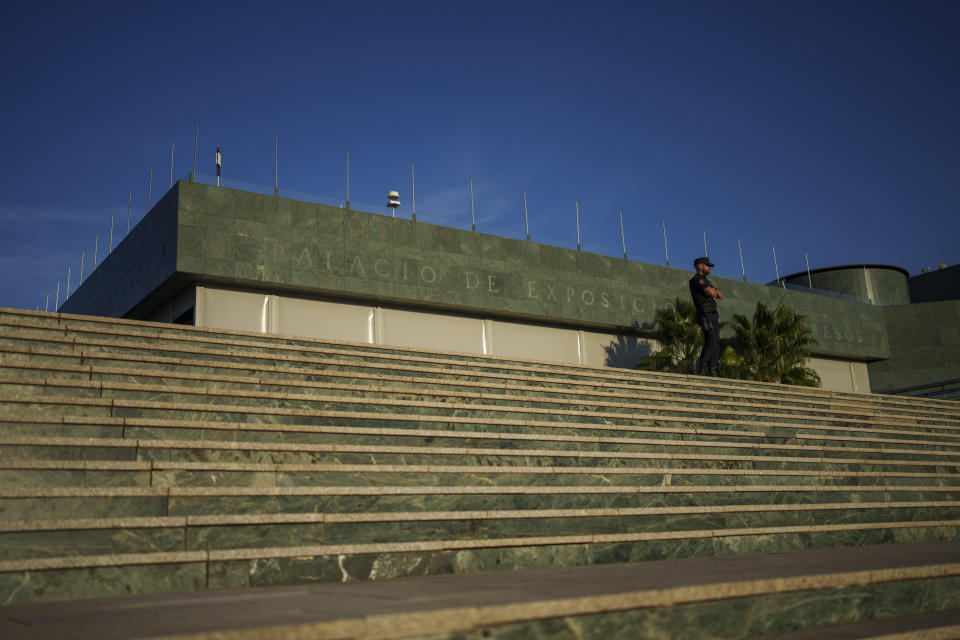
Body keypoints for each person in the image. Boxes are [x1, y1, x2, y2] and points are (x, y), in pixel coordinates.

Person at [689, 257, 723, 376]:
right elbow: (711, 293)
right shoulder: (697, 280)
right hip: (705, 314)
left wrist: (713, 290)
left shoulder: (707, 281)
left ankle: (712, 368)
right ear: (700, 266)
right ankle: (702, 366)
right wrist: (713, 290)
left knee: (716, 342)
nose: (709, 268)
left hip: (713, 314)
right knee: (712, 340)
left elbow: (721, 295)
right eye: (707, 265)